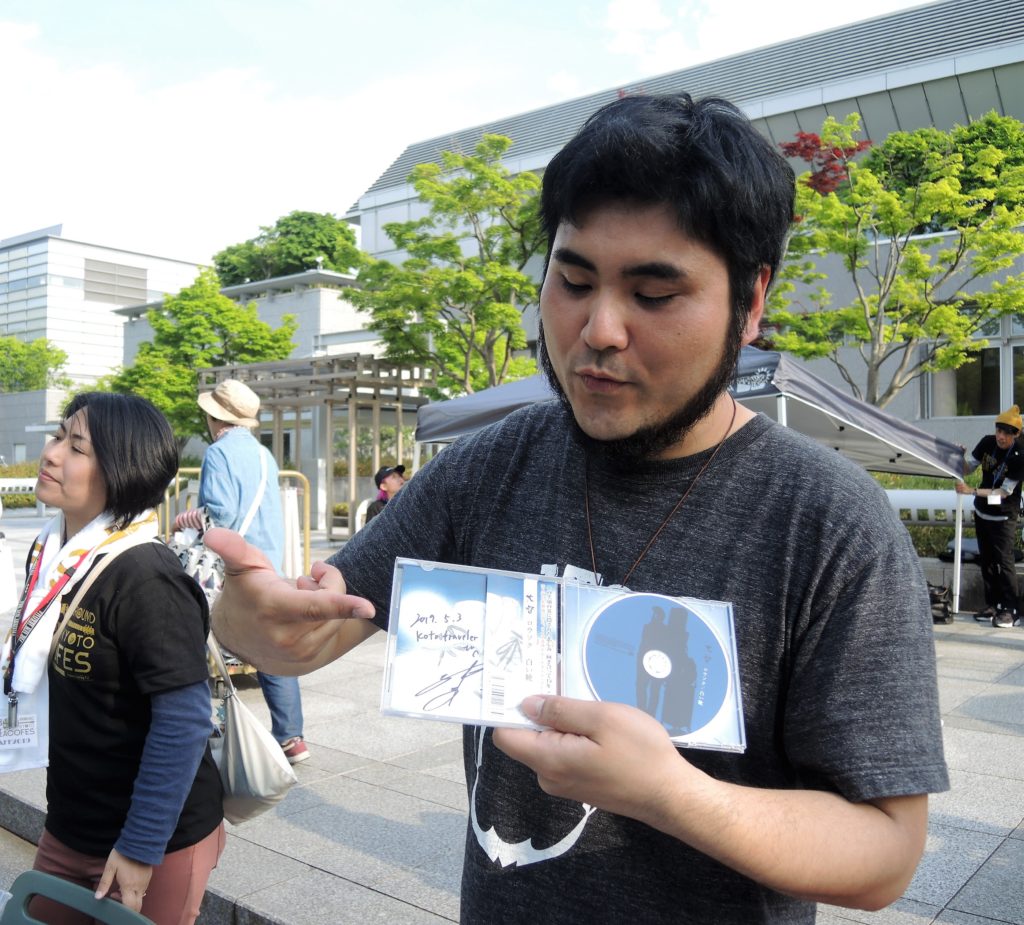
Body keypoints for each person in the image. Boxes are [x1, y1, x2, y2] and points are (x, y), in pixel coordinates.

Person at [204, 94, 949, 924]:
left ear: (752, 300)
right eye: (574, 278)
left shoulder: (829, 522)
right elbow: (312, 626)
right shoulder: (492, 464)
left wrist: (672, 793)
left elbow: (885, 852)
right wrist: (244, 613)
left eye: (655, 293)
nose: (599, 329)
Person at [12, 392, 223, 923]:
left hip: (154, 839)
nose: (52, 453)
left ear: (121, 470)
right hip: (71, 823)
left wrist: (139, 848)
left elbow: (184, 720)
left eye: (76, 447)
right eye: (59, 435)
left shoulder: (145, 575)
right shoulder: (54, 551)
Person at [174, 378, 309, 764]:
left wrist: (185, 518)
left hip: (232, 571)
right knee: (273, 648)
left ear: (215, 417)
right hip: (267, 564)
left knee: (200, 644)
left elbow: (221, 515)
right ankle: (291, 737)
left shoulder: (219, 454)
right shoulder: (264, 455)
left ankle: (203, 729)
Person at [955, 405, 1024, 627]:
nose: (1000, 437)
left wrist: (971, 491)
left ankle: (1011, 610)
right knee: (986, 561)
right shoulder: (987, 443)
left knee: (1004, 563)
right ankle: (993, 604)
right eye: (998, 431)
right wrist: (959, 456)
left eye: (1006, 433)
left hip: (1004, 516)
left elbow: (1004, 492)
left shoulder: (1019, 456)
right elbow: (967, 469)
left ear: (1016, 434)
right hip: (982, 512)